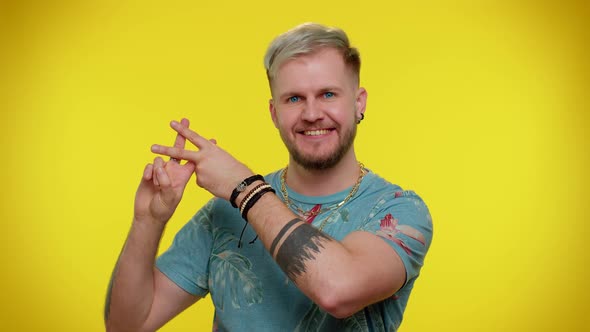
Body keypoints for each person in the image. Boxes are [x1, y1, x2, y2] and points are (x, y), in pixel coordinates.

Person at [105, 22, 433, 332]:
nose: (312, 113)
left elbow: (337, 289)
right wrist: (147, 221)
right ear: (274, 113)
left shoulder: (398, 212)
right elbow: (126, 325)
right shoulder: (224, 213)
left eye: (328, 94)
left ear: (358, 103)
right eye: (294, 98)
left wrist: (244, 187)